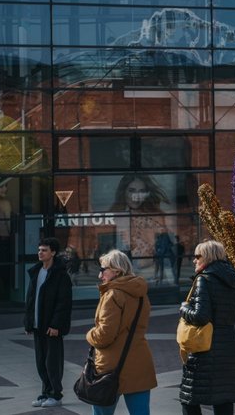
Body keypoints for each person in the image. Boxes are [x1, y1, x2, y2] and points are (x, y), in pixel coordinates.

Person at [85, 249, 157, 415]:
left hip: (111, 367)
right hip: (139, 362)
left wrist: (89, 334)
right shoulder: (141, 294)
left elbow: (104, 336)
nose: (100, 275)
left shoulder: (112, 295)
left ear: (116, 270)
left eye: (103, 270)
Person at [179, 240, 235, 415]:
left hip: (206, 347)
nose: (194, 260)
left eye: (197, 256)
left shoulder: (204, 280)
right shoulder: (234, 280)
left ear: (207, 257)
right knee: (223, 399)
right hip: (229, 345)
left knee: (189, 399)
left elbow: (201, 316)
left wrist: (184, 308)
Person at [23, 237, 72, 408]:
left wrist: (56, 325)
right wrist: (29, 323)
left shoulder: (61, 275)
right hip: (38, 326)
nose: (40, 253)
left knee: (53, 363)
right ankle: (45, 393)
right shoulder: (36, 272)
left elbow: (63, 303)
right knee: (41, 362)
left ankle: (55, 395)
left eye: (44, 250)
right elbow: (30, 300)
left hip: (52, 327)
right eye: (39, 250)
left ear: (53, 253)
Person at [110, 174, 177, 284]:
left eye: (141, 191)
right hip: (126, 277)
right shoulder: (116, 217)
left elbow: (164, 250)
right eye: (131, 190)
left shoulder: (154, 218)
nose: (136, 196)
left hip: (151, 276)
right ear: (124, 192)